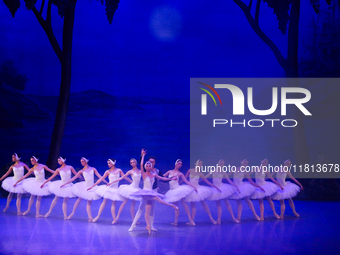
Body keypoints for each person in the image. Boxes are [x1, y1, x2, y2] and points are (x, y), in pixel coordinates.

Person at [128, 149, 178, 234]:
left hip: (151, 192)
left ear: (152, 166)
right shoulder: (143, 174)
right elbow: (141, 164)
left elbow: (163, 178)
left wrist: (171, 178)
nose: (147, 167)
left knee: (149, 210)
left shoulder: (155, 174)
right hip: (145, 193)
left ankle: (149, 226)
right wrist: (143, 155)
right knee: (142, 208)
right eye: (146, 166)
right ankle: (133, 225)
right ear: (145, 167)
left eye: (149, 165)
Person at [87, 158, 132, 223]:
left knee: (113, 204)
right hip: (109, 189)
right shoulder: (107, 172)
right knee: (104, 202)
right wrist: (92, 186)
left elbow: (125, 177)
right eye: (108, 163)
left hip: (115, 189)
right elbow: (101, 179)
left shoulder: (119, 170)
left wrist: (132, 182)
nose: (108, 164)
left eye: (109, 163)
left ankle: (114, 219)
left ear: (113, 163)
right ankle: (98, 216)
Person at [60, 157, 104, 221]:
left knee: (89, 202)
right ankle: (73, 212)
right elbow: (73, 178)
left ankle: (90, 217)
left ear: (86, 161)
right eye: (81, 162)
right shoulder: (81, 171)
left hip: (91, 187)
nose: (81, 163)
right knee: (79, 199)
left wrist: (106, 182)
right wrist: (65, 184)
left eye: (82, 161)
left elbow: (100, 176)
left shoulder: (93, 169)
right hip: (84, 186)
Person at [184, 160, 221, 225]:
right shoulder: (190, 170)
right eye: (199, 163)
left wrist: (215, 186)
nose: (200, 165)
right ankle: (192, 221)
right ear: (195, 164)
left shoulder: (200, 173)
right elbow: (184, 178)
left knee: (203, 203)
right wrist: (178, 182)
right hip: (191, 189)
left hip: (198, 189)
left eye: (201, 164)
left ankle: (211, 218)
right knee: (193, 205)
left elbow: (207, 182)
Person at [106, 158, 142, 224]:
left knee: (133, 205)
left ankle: (134, 220)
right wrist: (111, 182)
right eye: (131, 163)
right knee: (124, 202)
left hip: (136, 189)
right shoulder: (130, 171)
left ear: (136, 163)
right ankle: (116, 218)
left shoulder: (140, 171)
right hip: (131, 188)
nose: (132, 164)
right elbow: (121, 178)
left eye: (133, 162)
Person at [163, 159, 198, 226]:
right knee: (176, 206)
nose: (179, 165)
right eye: (178, 163)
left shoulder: (180, 173)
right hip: (172, 191)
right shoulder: (169, 172)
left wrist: (194, 186)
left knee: (183, 203)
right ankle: (175, 222)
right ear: (176, 163)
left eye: (181, 164)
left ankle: (190, 220)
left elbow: (187, 181)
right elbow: (162, 176)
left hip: (178, 190)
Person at [205, 159, 240, 224]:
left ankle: (233, 217)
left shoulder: (223, 172)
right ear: (218, 163)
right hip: (215, 189)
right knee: (218, 204)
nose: (222, 165)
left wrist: (236, 186)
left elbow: (229, 181)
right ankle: (219, 219)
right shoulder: (213, 170)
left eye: (223, 164)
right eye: (221, 163)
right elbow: (205, 177)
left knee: (227, 203)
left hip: (222, 188)